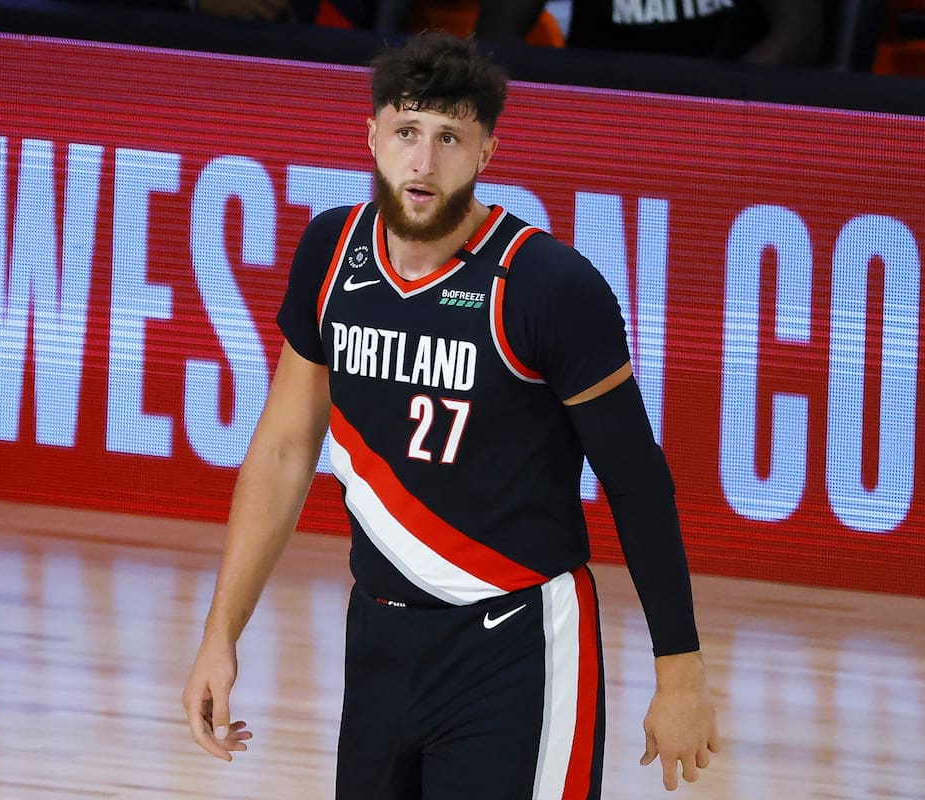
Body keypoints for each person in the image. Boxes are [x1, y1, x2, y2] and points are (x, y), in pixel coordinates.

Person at [182, 30, 719, 797]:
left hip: (517, 647)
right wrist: (219, 636)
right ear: (372, 136)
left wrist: (681, 672)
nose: (423, 162)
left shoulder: (547, 286)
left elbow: (636, 481)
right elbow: (282, 449)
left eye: (448, 138)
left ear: (486, 151)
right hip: (377, 637)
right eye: (406, 132)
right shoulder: (332, 252)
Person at [474, 0, 824, 64]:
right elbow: (495, 37)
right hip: (604, 117)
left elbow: (800, 36)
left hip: (720, 121)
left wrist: (729, 113)